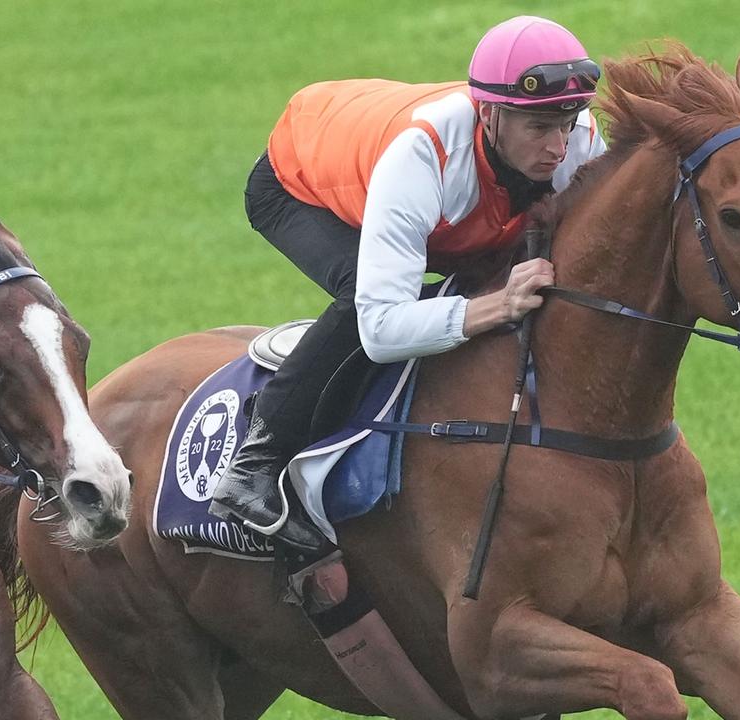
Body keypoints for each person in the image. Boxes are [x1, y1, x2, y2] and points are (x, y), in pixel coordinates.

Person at [209, 15, 607, 548]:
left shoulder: (578, 140)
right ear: (489, 115)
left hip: (387, 154)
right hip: (297, 185)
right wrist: (496, 306)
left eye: (568, 122)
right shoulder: (425, 155)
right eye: (539, 129)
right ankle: (255, 463)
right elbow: (381, 327)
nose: (559, 147)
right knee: (361, 297)